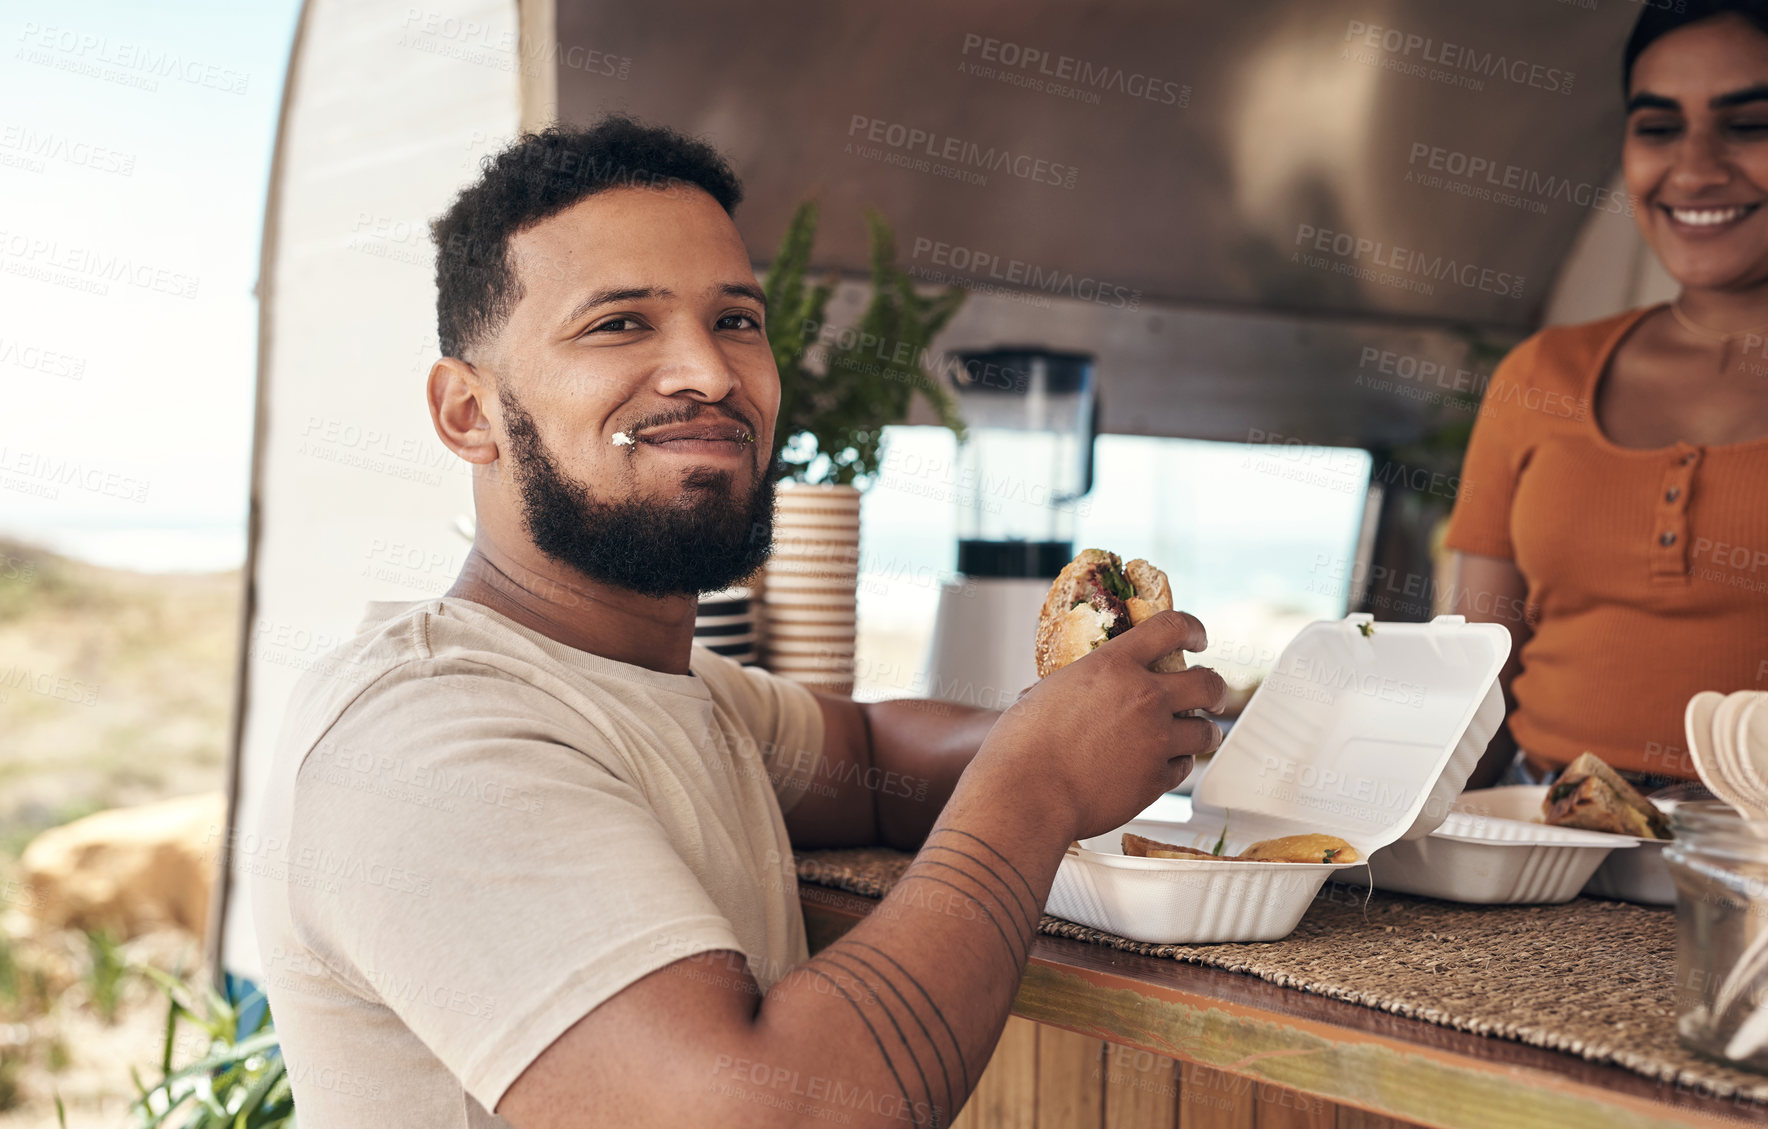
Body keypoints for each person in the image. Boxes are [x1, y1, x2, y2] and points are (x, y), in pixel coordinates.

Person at [250, 116, 1226, 1128]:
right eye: (620, 324)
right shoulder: (422, 736)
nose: (709, 374)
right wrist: (1039, 782)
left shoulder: (661, 691)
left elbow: (870, 750)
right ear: (468, 412)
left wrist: (1089, 718)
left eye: (737, 321)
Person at [1450, 0, 1768, 791]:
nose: (1694, 169)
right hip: (1540, 843)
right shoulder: (1539, 377)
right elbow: (1473, 681)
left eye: (1750, 123)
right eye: (1658, 127)